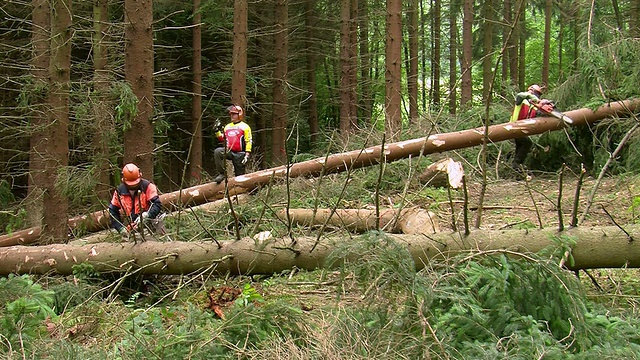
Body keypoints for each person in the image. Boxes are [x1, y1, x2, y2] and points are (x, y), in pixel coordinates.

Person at [108, 163, 164, 240]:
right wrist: (120, 228)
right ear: (123, 180)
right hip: (132, 226)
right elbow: (112, 211)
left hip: (151, 224)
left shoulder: (147, 187)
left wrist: (148, 215)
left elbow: (157, 204)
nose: (133, 187)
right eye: (130, 185)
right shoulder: (119, 191)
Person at [509, 84, 551, 173]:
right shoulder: (522, 99)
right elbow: (519, 95)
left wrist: (545, 106)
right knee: (527, 143)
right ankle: (516, 164)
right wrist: (532, 96)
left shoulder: (533, 106)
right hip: (514, 126)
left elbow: (539, 115)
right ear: (531, 91)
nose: (537, 96)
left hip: (523, 128)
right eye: (537, 93)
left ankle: (517, 169)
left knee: (520, 146)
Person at [213, 105, 253, 183]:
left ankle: (241, 191)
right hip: (229, 151)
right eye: (231, 114)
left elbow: (248, 141)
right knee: (218, 152)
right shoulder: (227, 127)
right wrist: (217, 131)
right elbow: (223, 139)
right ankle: (222, 174)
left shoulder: (245, 127)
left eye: (234, 114)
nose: (232, 116)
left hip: (240, 153)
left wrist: (247, 154)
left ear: (239, 115)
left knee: (239, 176)